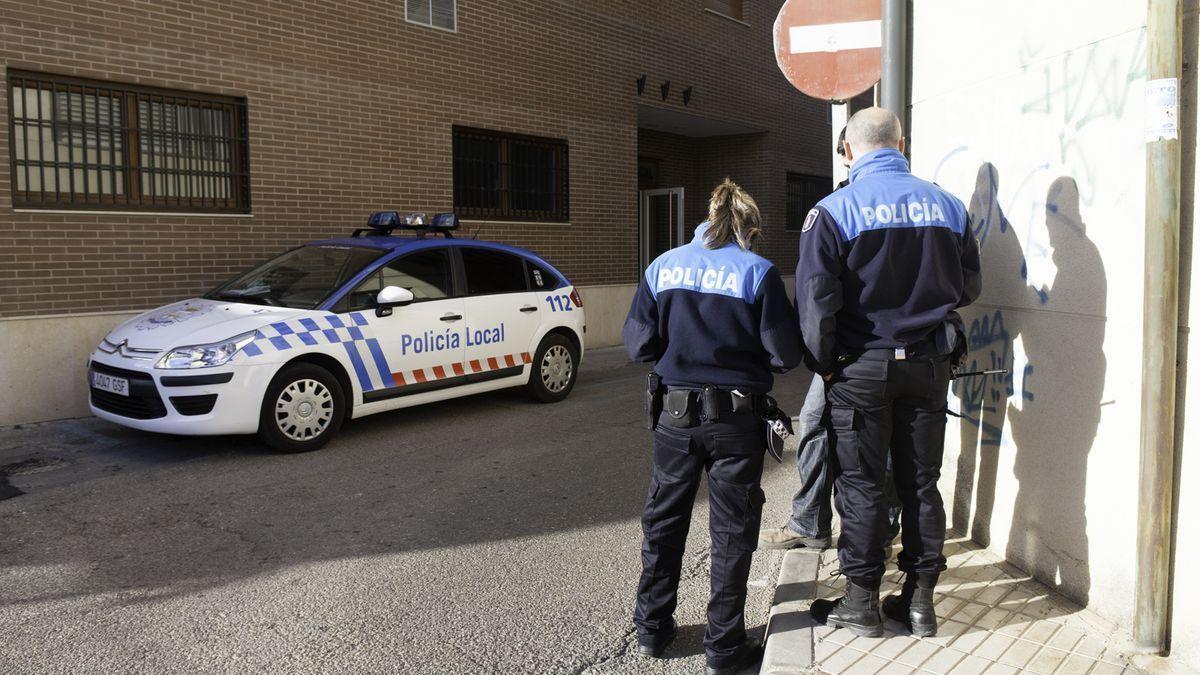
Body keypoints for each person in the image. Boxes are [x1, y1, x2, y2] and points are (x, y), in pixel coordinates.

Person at [798, 108, 981, 638]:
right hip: (928, 365)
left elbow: (815, 307)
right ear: (902, 142)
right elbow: (969, 288)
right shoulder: (947, 205)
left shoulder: (832, 212)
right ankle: (920, 604)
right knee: (921, 483)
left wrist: (827, 367)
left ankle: (860, 602)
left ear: (850, 150)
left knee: (862, 487)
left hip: (861, 368)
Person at [624, 179, 802, 674]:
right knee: (731, 531)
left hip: (675, 420)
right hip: (736, 422)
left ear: (706, 218)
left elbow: (638, 345)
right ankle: (724, 647)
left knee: (663, 523)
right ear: (750, 227)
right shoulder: (759, 272)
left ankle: (651, 630)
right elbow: (785, 354)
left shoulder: (664, 265)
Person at [759, 127, 901, 553]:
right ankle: (816, 523)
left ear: (848, 150)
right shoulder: (914, 198)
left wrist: (822, 359)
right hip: (874, 350)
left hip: (851, 351)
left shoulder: (842, 206)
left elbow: (816, 292)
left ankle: (870, 533)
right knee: (821, 429)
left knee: (858, 438)